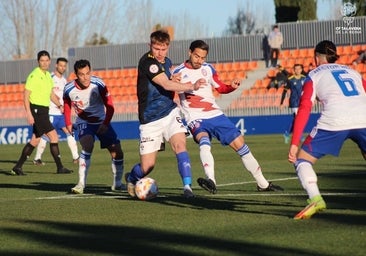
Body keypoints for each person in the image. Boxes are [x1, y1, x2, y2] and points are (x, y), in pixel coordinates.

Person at [172, 39, 284, 194]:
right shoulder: (177, 72)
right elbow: (169, 91)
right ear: (189, 52)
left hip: (216, 114)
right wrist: (172, 84)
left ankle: (263, 183)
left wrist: (231, 86)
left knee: (241, 145)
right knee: (204, 141)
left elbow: (221, 87)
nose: (200, 61)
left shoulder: (208, 69)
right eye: (197, 56)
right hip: (195, 117)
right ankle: (211, 180)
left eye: (203, 58)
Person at [288, 40, 366, 219]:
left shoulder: (314, 74)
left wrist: (294, 143)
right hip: (364, 116)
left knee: (302, 160)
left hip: (335, 119)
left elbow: (305, 107)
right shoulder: (352, 71)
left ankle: (315, 198)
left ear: (316, 57)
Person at [125, 30, 204, 198]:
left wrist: (173, 79)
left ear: (168, 47)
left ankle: (187, 188)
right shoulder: (148, 62)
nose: (160, 53)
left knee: (180, 146)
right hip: (150, 119)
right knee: (147, 166)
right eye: (156, 48)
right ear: (150, 46)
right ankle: (132, 178)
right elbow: (166, 85)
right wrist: (191, 86)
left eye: (163, 49)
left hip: (169, 112)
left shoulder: (167, 62)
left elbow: (168, 80)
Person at [63, 59, 125, 194]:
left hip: (102, 121)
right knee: (88, 144)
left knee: (117, 151)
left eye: (87, 73)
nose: (85, 77)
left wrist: (105, 124)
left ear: (90, 71)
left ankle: (118, 184)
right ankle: (80, 184)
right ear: (76, 75)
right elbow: (67, 105)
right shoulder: (69, 88)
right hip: (84, 122)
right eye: (81, 74)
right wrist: (67, 122)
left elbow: (110, 107)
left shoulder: (99, 84)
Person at [11, 50, 73, 175]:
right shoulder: (34, 75)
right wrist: (28, 113)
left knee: (35, 140)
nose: (44, 63)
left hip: (44, 110)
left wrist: (59, 105)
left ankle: (17, 167)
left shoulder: (47, 76)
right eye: (42, 61)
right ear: (38, 62)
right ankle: (60, 167)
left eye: (46, 60)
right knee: (53, 136)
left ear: (49, 61)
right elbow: (26, 96)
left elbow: (51, 94)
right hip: (37, 110)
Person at [33, 57, 79, 165]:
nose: (62, 68)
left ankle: (76, 157)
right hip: (50, 113)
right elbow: (47, 93)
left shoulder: (64, 80)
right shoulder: (50, 77)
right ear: (56, 65)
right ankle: (37, 158)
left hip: (61, 113)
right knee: (46, 135)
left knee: (69, 132)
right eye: (61, 65)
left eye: (64, 66)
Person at [280, 64, 306, 143]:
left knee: (296, 119)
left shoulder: (304, 78)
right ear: (294, 70)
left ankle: (287, 133)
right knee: (299, 119)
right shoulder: (290, 79)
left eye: (299, 69)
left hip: (302, 101)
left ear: (301, 70)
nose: (297, 70)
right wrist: (281, 103)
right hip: (294, 102)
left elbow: (308, 89)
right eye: (296, 69)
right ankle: (299, 135)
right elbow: (284, 91)